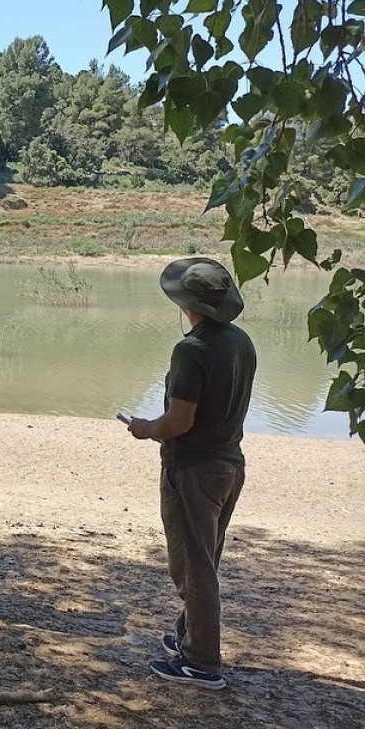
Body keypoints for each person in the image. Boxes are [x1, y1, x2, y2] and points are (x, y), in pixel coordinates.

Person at [127, 258, 256, 691]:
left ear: (187, 304)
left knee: (193, 567)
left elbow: (179, 422)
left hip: (194, 469)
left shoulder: (191, 350)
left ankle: (202, 662)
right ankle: (187, 634)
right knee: (206, 557)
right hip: (229, 463)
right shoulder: (242, 342)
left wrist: (146, 429)